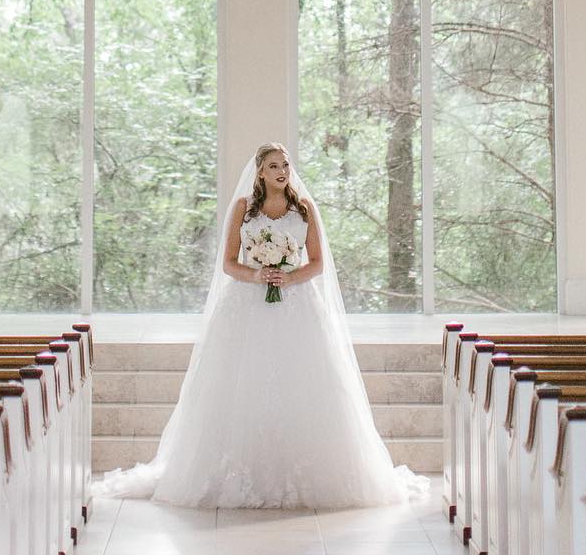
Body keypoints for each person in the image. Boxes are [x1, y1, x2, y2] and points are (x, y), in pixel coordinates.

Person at [96, 142, 424, 509]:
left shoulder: (303, 210)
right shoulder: (244, 209)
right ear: (260, 172)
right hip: (247, 304)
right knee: (242, 383)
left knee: (303, 382)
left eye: (285, 164)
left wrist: (289, 276)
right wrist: (258, 274)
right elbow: (227, 265)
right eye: (273, 165)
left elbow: (317, 263)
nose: (282, 170)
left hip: (298, 305)